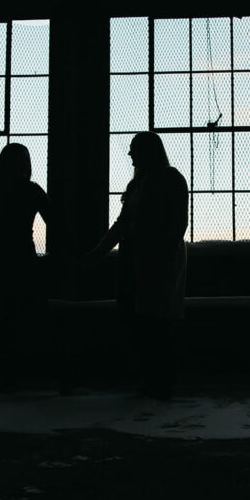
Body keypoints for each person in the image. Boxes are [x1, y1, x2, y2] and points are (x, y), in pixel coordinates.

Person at [89, 131, 189, 399]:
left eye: (134, 149)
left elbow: (126, 225)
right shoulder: (159, 181)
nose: (130, 154)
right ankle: (157, 380)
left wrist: (99, 253)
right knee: (150, 319)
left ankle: (157, 380)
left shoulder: (146, 184)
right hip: (145, 261)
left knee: (153, 320)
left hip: (152, 262)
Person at [0, 142, 51, 390]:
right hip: (24, 256)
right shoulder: (32, 191)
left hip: (0, 257)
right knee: (28, 315)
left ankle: (5, 374)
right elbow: (55, 220)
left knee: (3, 317)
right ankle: (30, 370)